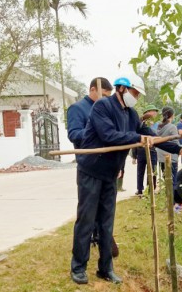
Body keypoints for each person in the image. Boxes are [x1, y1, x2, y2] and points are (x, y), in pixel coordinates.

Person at [70, 75, 182, 285]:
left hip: (110, 174)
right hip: (90, 170)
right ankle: (78, 267)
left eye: (137, 95)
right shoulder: (102, 107)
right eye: (134, 93)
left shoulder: (131, 114)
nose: (136, 97)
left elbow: (152, 137)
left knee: (107, 222)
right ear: (122, 89)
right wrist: (138, 139)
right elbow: (109, 135)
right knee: (86, 220)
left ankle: (105, 268)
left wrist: (180, 148)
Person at [66, 78, 119, 258]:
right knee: (87, 215)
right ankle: (80, 259)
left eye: (108, 97)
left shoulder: (107, 109)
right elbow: (73, 134)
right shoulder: (78, 108)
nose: (106, 100)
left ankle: (103, 246)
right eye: (104, 95)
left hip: (108, 168)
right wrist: (95, 129)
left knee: (105, 215)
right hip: (88, 167)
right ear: (93, 90)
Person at [131, 104, 159, 197]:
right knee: (140, 171)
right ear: (147, 113)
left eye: (155, 112)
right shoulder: (140, 123)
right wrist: (134, 156)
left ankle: (151, 189)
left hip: (153, 150)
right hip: (141, 150)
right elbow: (135, 137)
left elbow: (157, 136)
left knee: (153, 171)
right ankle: (139, 190)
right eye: (153, 111)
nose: (155, 114)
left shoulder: (156, 124)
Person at [156, 107, 182, 189]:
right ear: (172, 115)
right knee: (173, 182)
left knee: (167, 181)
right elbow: (176, 143)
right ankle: (173, 200)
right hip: (171, 157)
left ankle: (168, 199)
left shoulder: (159, 127)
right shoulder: (172, 127)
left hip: (161, 157)